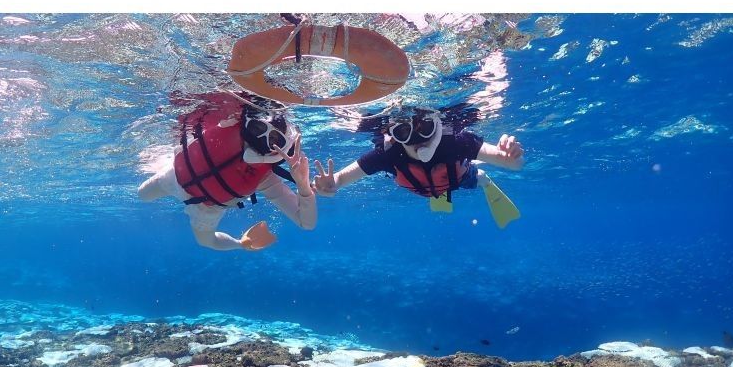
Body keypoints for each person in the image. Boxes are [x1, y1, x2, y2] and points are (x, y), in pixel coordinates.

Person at [138, 92, 316, 251]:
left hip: (206, 209)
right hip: (175, 176)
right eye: (258, 128)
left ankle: (241, 243)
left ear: (279, 150)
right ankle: (164, 162)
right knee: (142, 194)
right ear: (248, 122)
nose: (261, 138)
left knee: (208, 242)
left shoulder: (266, 178)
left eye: (274, 140)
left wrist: (303, 186)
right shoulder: (231, 120)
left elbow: (306, 223)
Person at [311, 106, 525, 228]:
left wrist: (511, 157)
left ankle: (483, 178)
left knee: (473, 177)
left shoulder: (457, 143)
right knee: (449, 177)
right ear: (394, 135)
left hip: (458, 178)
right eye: (404, 132)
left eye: (426, 127)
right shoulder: (388, 155)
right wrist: (329, 186)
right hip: (425, 185)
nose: (417, 139)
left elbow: (511, 164)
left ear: (437, 123)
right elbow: (338, 180)